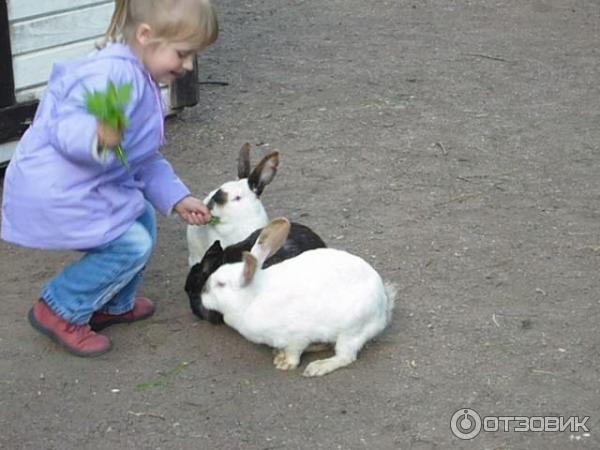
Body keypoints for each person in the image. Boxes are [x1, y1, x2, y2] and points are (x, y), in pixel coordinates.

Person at [0, 0, 219, 357]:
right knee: (129, 244)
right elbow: (66, 125)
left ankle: (114, 303)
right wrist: (97, 138)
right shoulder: (110, 75)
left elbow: (143, 158)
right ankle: (60, 309)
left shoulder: (143, 78)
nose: (189, 64)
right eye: (183, 53)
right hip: (59, 189)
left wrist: (177, 198)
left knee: (143, 217)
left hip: (91, 182)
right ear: (146, 36)